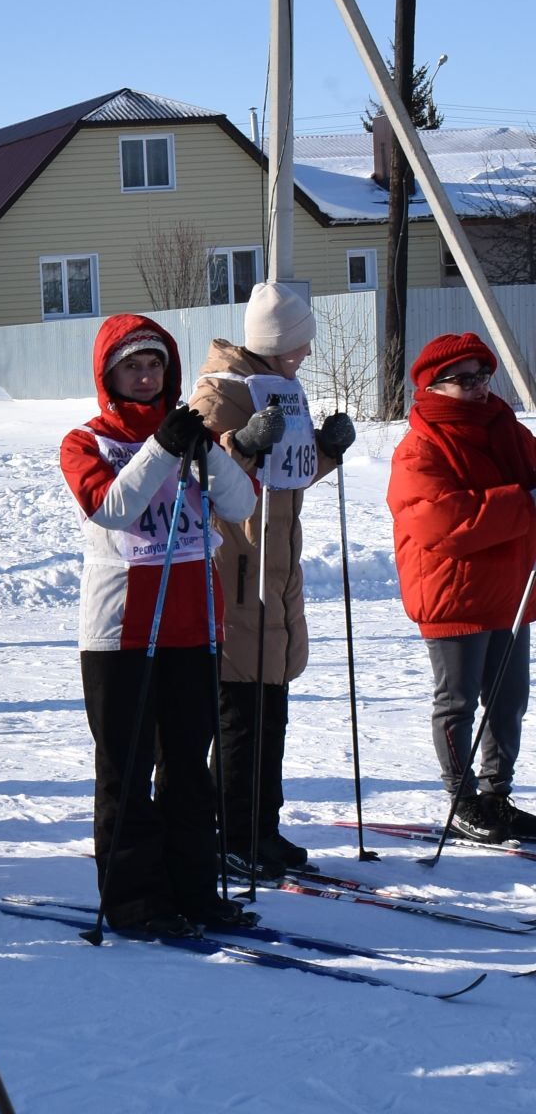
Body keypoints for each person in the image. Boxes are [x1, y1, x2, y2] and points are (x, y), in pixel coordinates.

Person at [60, 314, 259, 936]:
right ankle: (134, 898)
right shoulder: (86, 440)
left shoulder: (188, 434)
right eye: (132, 367)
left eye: (155, 366)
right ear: (109, 375)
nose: (146, 377)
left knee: (189, 771)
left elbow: (241, 505)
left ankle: (193, 889)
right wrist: (163, 448)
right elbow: (111, 508)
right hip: (121, 630)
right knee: (126, 765)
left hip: (194, 625)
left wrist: (205, 449)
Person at [190, 281, 356, 873]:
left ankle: (263, 825)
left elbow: (288, 473)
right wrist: (240, 445)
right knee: (241, 714)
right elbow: (198, 479)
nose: (306, 355)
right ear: (276, 342)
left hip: (276, 570)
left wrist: (327, 452)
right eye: (300, 344)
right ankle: (233, 831)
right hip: (238, 570)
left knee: (271, 707)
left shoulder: (281, 389)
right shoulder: (219, 394)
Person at [387, 331, 536, 841]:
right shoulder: (420, 446)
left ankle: (497, 794)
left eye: (482, 376)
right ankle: (463, 795)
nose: (477, 388)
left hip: (510, 590)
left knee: (509, 697)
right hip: (452, 594)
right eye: (463, 380)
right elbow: (442, 524)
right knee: (459, 700)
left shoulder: (506, 430)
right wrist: (523, 503)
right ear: (434, 385)